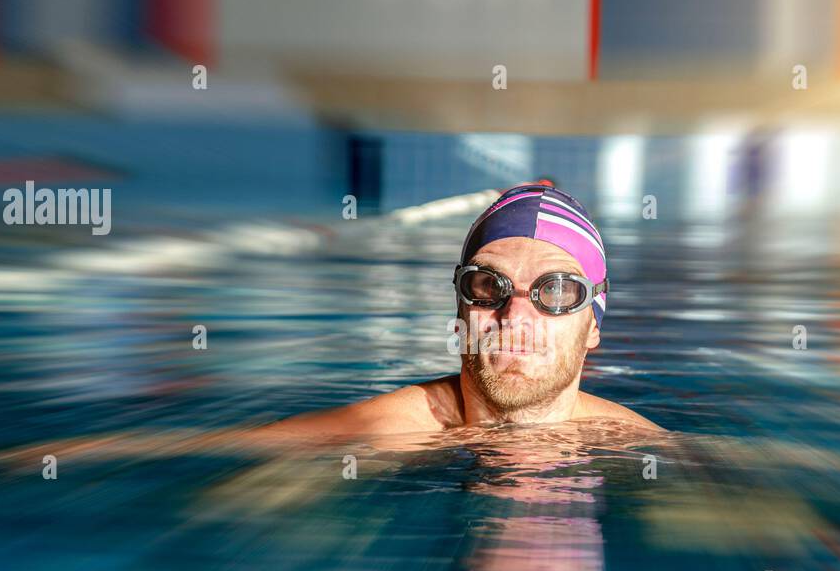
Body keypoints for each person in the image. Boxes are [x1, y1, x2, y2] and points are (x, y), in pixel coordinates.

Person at [270, 182, 662, 439]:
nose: (515, 318)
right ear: (460, 310)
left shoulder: (643, 449)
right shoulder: (374, 433)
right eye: (489, 285)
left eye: (557, 292)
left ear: (593, 324)